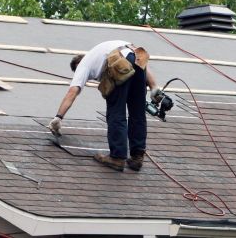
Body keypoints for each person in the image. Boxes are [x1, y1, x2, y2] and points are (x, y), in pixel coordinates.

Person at [49, 40, 160, 172]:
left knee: (116, 113)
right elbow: (140, 61)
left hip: (120, 63)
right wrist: (154, 87)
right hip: (137, 58)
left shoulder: (83, 65)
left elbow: (72, 92)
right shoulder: (101, 51)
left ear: (77, 65)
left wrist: (58, 117)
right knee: (137, 112)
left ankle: (117, 157)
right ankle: (137, 157)